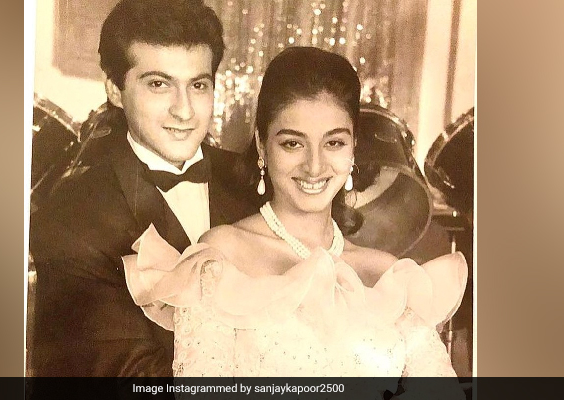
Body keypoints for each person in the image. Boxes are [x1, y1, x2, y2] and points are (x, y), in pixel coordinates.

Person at [123, 47, 467, 396]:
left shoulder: (388, 274)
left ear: (353, 147)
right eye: (293, 144)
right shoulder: (220, 256)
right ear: (262, 146)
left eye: (334, 142)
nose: (314, 166)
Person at [29, 0, 257, 377]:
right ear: (115, 90)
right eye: (158, 84)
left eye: (198, 85)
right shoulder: (72, 219)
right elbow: (127, 380)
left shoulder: (251, 181)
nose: (184, 110)